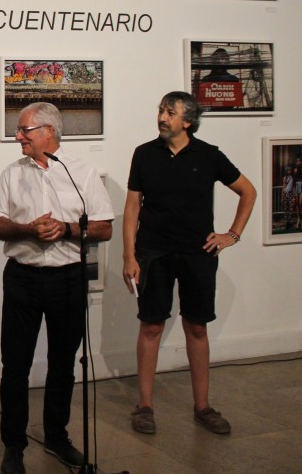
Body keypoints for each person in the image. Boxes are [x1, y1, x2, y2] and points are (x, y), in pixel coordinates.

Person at [0, 102, 114, 474]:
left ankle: (57, 436)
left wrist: (66, 228)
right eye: (19, 129)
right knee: (15, 365)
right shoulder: (12, 173)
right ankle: (14, 444)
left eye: (25, 129)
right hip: (23, 278)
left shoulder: (82, 173)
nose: (18, 136)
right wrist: (28, 229)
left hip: (67, 279)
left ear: (48, 132)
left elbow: (104, 228)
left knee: (63, 363)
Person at [122, 91, 256, 436]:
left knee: (197, 327)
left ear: (188, 121)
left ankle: (203, 406)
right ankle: (145, 406)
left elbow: (248, 191)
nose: (162, 117)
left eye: (170, 112)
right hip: (154, 253)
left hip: (198, 253)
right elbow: (133, 208)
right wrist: (129, 255)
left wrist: (233, 234)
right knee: (151, 326)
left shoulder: (209, 156)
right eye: (161, 110)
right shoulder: (144, 154)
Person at [293, 156, 302, 228]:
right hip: (296, 186)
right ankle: (298, 219)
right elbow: (294, 180)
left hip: (301, 185)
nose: (298, 162)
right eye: (297, 161)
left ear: (301, 162)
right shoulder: (295, 170)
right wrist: (293, 189)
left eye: (299, 161)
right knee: (297, 204)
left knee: (301, 203)